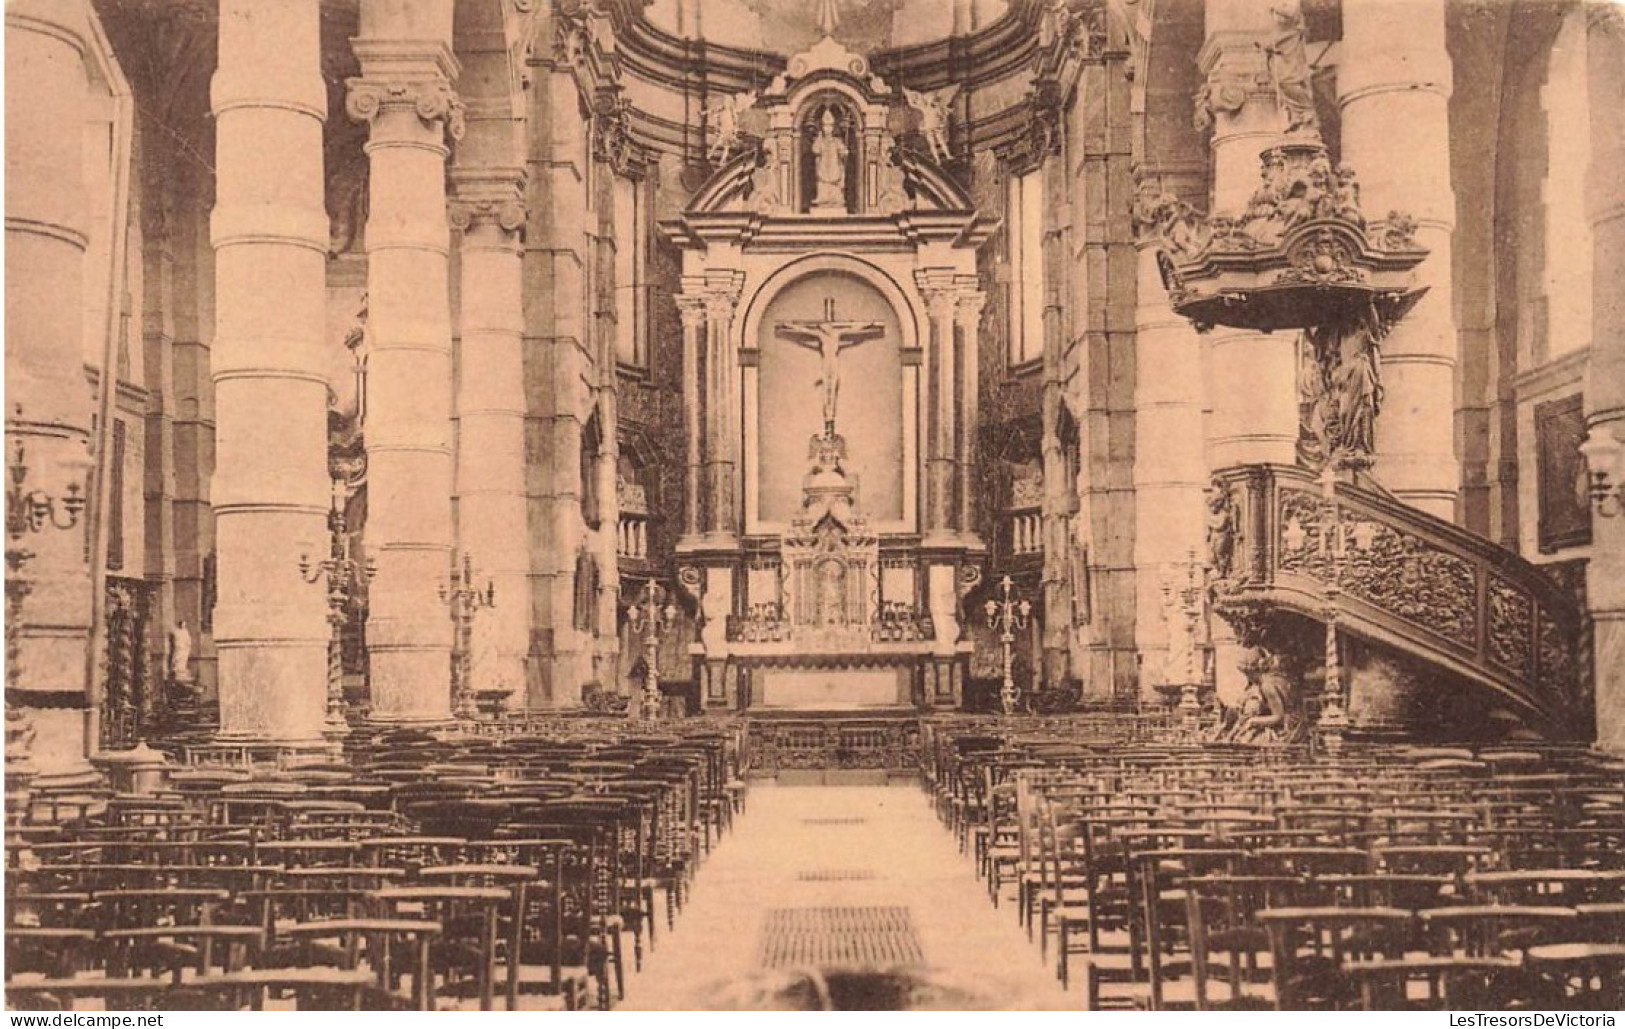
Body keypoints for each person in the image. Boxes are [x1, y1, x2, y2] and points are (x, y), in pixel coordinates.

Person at [811, 110, 848, 210]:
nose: (827, 129)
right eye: (825, 126)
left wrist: (844, 152)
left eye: (830, 126)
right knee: (823, 184)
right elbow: (815, 150)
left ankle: (836, 199)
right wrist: (818, 138)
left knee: (835, 184)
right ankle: (822, 198)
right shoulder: (820, 140)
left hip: (834, 167)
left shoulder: (837, 141)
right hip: (823, 168)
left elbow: (843, 151)